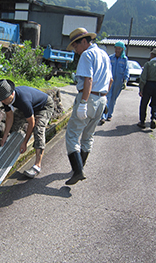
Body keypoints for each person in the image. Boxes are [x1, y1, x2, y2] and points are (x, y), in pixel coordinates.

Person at [64, 28, 113, 185]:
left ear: (84, 41)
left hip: (88, 98)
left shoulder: (87, 54)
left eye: (76, 47)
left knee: (72, 134)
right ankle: (80, 167)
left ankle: (78, 171)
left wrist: (83, 103)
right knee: (88, 136)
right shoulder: (104, 55)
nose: (76, 51)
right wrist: (104, 100)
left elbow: (88, 80)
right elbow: (110, 80)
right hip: (102, 99)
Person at [0, 79, 54, 178]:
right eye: (1, 99)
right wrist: (4, 137)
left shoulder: (23, 100)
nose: (2, 101)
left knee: (38, 130)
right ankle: (13, 151)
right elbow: (9, 117)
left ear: (11, 94)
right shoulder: (5, 98)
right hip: (32, 106)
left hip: (44, 106)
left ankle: (37, 165)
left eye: (4, 99)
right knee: (15, 124)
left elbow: (31, 122)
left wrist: (25, 142)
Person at [100, 41, 129, 125]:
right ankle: (103, 116)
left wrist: (125, 81)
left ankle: (110, 114)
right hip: (109, 81)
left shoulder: (124, 59)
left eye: (119, 49)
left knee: (113, 99)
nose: (117, 50)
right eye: (116, 48)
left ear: (122, 49)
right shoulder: (110, 58)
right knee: (107, 97)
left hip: (118, 82)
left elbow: (126, 71)